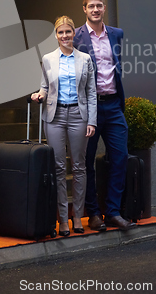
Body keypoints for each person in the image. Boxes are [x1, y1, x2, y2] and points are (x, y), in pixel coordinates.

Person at [73, 0, 136, 232]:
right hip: (88, 108)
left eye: (99, 5)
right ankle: (93, 214)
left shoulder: (116, 34)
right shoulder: (76, 36)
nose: (95, 9)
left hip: (113, 105)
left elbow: (115, 67)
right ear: (85, 9)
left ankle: (112, 212)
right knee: (86, 161)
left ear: (104, 7)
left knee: (120, 157)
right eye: (91, 6)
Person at [32, 16, 97, 236]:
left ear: (73, 34)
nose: (65, 36)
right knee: (58, 168)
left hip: (79, 116)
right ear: (56, 35)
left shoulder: (85, 59)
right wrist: (39, 94)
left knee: (79, 167)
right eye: (61, 33)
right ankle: (63, 220)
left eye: (68, 32)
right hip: (55, 115)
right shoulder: (48, 58)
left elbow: (91, 92)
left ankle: (78, 216)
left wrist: (92, 121)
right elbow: (44, 86)